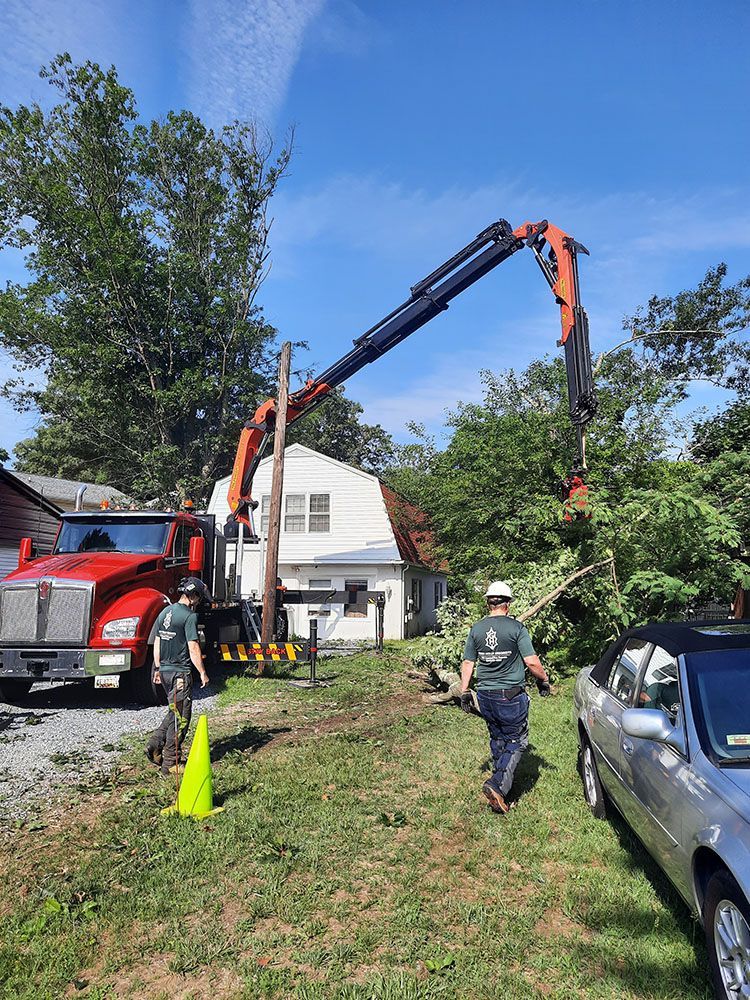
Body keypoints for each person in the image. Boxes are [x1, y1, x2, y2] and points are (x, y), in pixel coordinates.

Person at [459, 580, 550, 814]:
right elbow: (531, 661)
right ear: (507, 604)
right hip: (509, 695)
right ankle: (497, 785)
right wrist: (544, 680)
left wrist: (464, 691)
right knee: (516, 741)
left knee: (498, 737)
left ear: (489, 603)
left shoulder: (477, 629)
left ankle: (501, 789)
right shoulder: (517, 628)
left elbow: (468, 662)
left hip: (485, 695)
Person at [146, 577, 210, 776]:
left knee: (174, 710)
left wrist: (157, 668)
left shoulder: (165, 611)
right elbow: (193, 646)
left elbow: (156, 641)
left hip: (164, 671)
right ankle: (171, 764)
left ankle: (155, 744)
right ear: (194, 596)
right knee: (182, 717)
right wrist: (202, 672)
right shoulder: (189, 616)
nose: (199, 602)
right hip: (180, 673)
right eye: (199, 598)